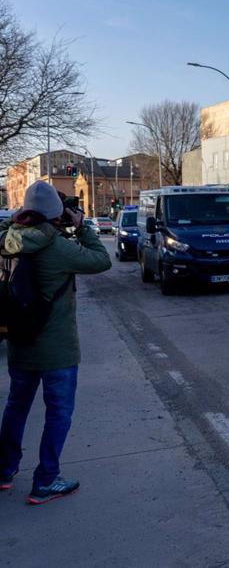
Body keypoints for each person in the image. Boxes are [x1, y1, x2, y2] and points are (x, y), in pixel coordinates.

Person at [0, 181, 111, 504]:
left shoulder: (7, 241)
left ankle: (5, 470)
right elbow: (100, 260)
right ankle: (46, 480)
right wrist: (82, 226)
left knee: (16, 406)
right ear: (55, 214)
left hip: (20, 342)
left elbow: (10, 226)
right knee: (58, 412)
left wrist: (19, 218)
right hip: (57, 348)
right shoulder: (58, 248)